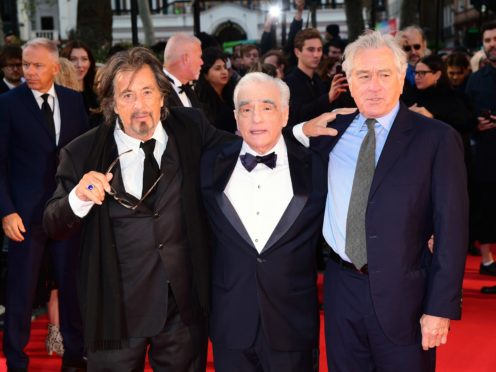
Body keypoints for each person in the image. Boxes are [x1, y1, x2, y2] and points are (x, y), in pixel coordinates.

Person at [43, 47, 234, 371]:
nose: (140, 104)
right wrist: (78, 197)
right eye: (128, 95)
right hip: (115, 307)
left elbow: (240, 149)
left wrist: (297, 133)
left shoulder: (190, 128)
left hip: (182, 307)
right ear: (112, 103)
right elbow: (52, 223)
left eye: (147, 92)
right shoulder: (83, 152)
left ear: (162, 96)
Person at [295, 30, 468, 371]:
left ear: (401, 79)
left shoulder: (437, 139)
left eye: (384, 74)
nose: (373, 85)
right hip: (341, 289)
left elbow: (453, 230)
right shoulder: (331, 130)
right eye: (363, 75)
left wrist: (440, 308)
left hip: (406, 295)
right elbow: (269, 144)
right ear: (350, 82)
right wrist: (300, 131)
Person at [200, 72, 328, 372]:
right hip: (231, 322)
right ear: (236, 117)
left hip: (292, 323)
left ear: (285, 115)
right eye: (246, 109)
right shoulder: (208, 164)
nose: (256, 117)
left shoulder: (318, 167)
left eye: (267, 107)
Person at [0, 37, 88, 371]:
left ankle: (75, 355)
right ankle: (17, 361)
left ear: (55, 66)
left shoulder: (73, 102)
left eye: (37, 65)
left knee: (71, 289)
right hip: (24, 216)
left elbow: (83, 157)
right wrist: (6, 210)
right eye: (26, 65)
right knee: (21, 293)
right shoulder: (8, 104)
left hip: (67, 213)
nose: (29, 71)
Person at [465, 21, 496, 287]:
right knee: (486, 208)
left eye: (495, 39)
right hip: (485, 154)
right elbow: (465, 112)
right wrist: (475, 123)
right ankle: (488, 261)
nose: (491, 45)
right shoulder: (475, 80)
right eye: (487, 40)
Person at [284, 28, 348, 127]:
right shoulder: (289, 82)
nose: (316, 55)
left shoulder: (318, 80)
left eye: (319, 49)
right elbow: (296, 116)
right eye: (311, 50)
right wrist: (328, 98)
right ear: (297, 52)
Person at [195, 47, 236, 133]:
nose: (224, 72)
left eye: (225, 67)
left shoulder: (232, 93)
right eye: (218, 68)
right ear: (205, 75)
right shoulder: (201, 100)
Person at [163, 33, 203, 108]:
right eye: (199, 57)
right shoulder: (157, 89)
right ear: (186, 59)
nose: (202, 62)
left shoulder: (191, 90)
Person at [61, 40, 99, 115]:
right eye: (73, 59)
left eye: (84, 59)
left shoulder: (97, 96)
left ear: (90, 63)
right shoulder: (57, 96)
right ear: (64, 63)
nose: (79, 65)